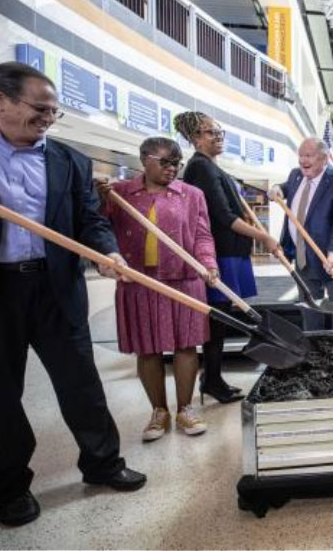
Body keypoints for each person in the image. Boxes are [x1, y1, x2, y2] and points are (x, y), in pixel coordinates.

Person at [0, 62, 145, 527]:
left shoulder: (70, 161)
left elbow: (91, 220)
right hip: (0, 291)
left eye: (53, 113)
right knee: (1, 394)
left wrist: (107, 253)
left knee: (81, 380)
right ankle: (8, 485)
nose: (47, 119)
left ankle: (102, 462)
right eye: (39, 109)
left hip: (56, 285)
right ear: (1, 101)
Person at [97, 137, 219, 440]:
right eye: (165, 162)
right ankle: (159, 412)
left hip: (185, 279)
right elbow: (99, 228)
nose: (172, 168)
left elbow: (203, 234)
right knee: (147, 348)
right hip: (138, 281)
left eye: (177, 163)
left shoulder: (192, 194)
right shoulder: (120, 193)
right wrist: (98, 199)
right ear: (144, 160)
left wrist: (208, 263)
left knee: (186, 346)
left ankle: (185, 410)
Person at [179, 111, 278, 403]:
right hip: (221, 255)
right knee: (217, 320)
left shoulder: (211, 166)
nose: (218, 137)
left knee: (221, 319)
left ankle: (212, 376)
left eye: (220, 132)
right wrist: (264, 237)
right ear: (196, 138)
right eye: (211, 132)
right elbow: (224, 217)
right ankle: (212, 380)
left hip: (230, 252)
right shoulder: (202, 168)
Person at [271, 137, 333, 331]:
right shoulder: (295, 175)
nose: (302, 161)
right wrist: (278, 188)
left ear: (324, 158)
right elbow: (286, 187)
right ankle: (315, 353)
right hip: (304, 261)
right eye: (300, 155)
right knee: (310, 316)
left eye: (308, 155)